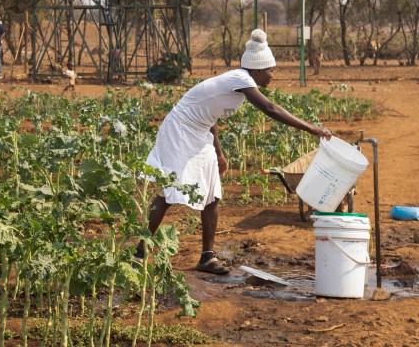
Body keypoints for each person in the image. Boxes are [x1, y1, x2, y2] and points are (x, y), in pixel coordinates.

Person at [139, 29, 332, 275]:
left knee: (212, 191)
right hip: (180, 130)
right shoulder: (241, 79)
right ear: (258, 70)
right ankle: (140, 249)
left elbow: (212, 116)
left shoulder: (237, 83)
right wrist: (312, 129)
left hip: (200, 132)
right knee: (170, 189)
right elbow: (270, 108)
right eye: (271, 70)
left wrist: (218, 152)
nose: (273, 75)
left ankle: (207, 257)